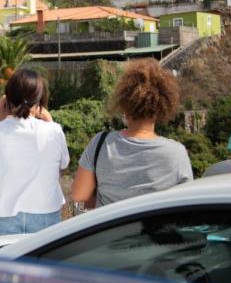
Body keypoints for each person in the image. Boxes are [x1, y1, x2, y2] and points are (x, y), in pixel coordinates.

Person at [71, 59, 192, 211]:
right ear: (160, 109)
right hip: (155, 233)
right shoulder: (177, 153)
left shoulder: (101, 144)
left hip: (109, 233)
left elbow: (78, 195)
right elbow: (186, 206)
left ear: (125, 105)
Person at [0, 69, 69, 238]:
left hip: (1, 215)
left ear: (7, 98)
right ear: (40, 99)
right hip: (45, 215)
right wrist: (49, 119)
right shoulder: (54, 131)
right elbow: (64, 163)